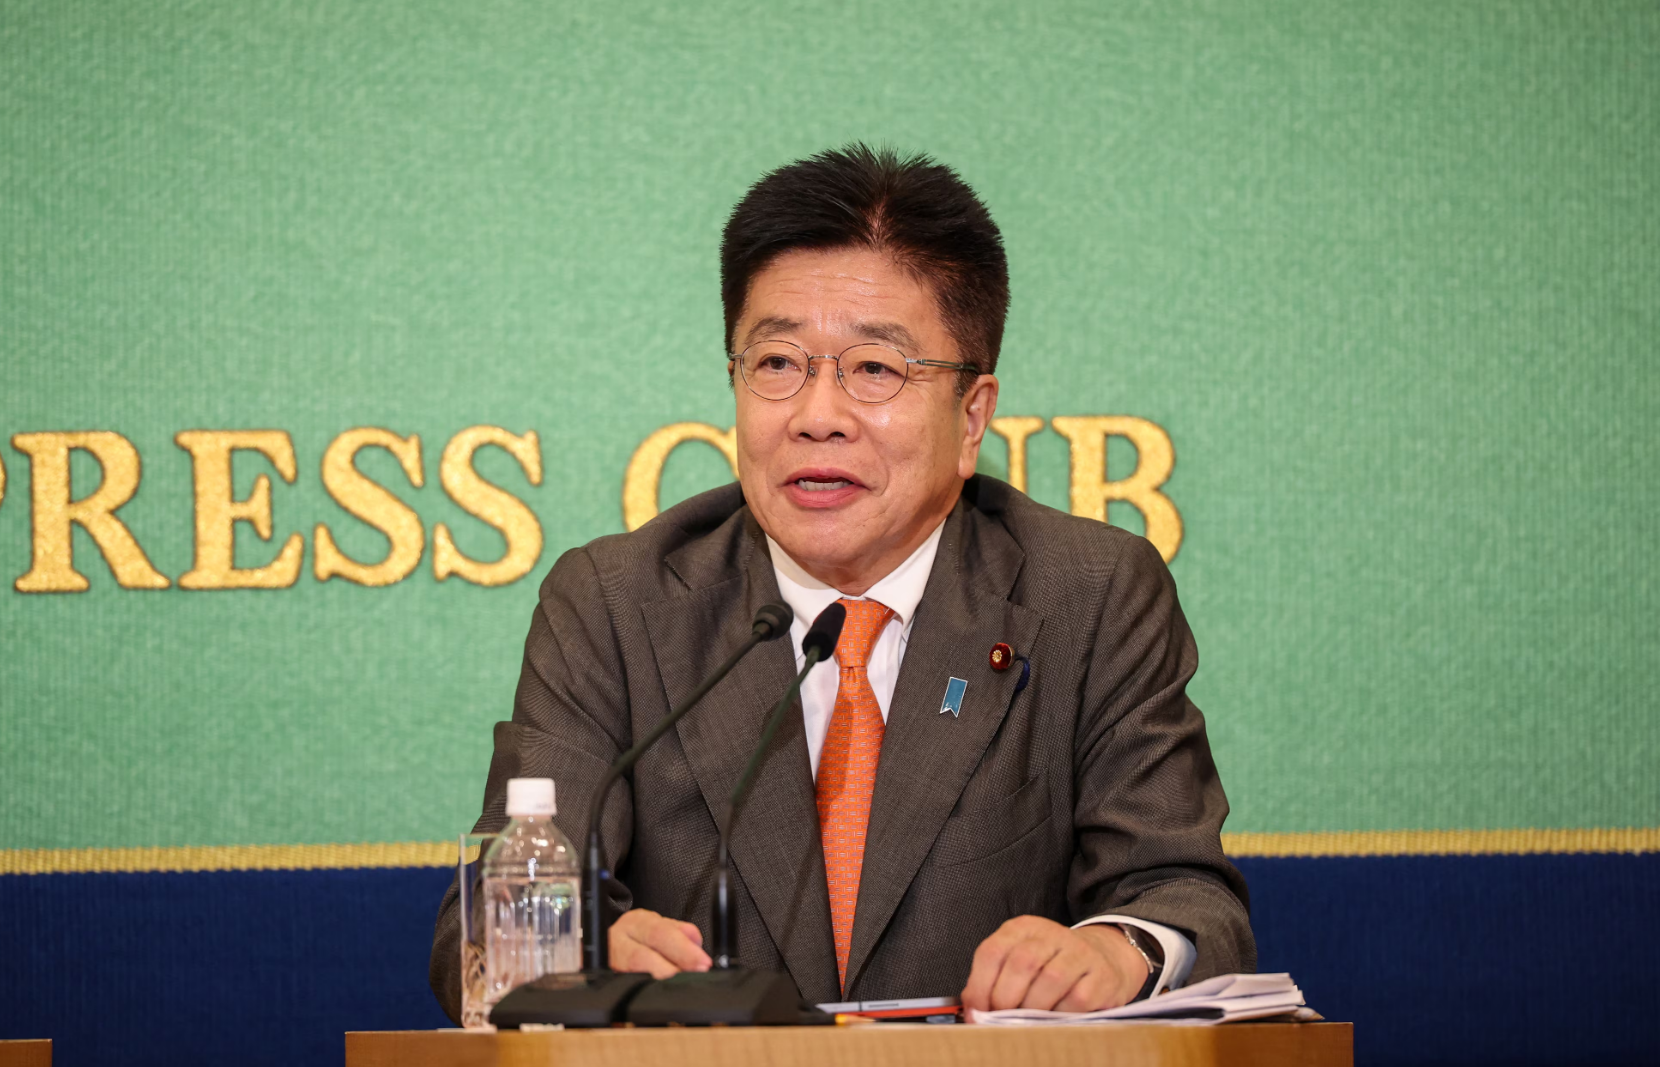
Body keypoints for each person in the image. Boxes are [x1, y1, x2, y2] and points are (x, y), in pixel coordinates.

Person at [430, 144, 1254, 1020]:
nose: (817, 416)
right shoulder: (615, 603)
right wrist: (588, 951)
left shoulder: (1089, 594)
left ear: (972, 417)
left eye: (875, 369)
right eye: (777, 363)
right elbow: (472, 937)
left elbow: (1186, 898)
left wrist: (1117, 950)